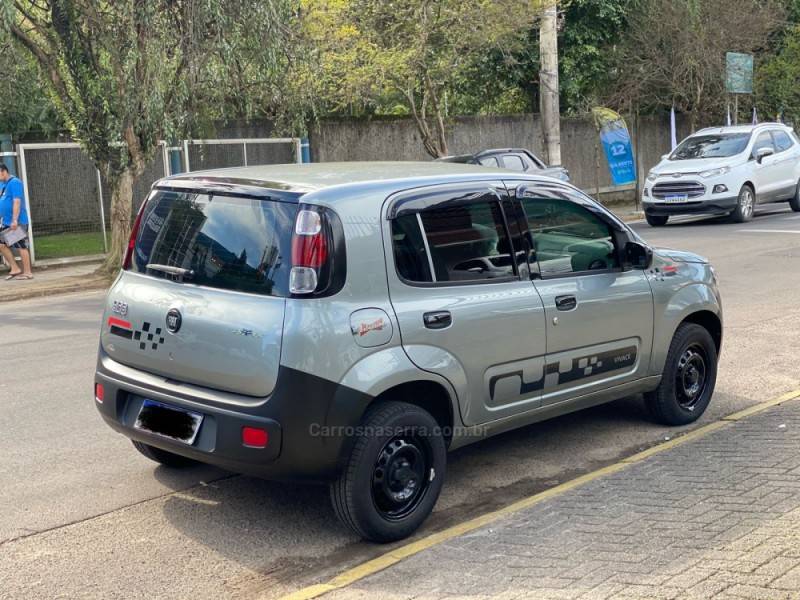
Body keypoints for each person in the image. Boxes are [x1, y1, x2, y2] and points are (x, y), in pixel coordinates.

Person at [0, 163, 33, 280]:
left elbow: (17, 202)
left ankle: (28, 272)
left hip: (17, 221)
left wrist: (14, 220)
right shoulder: (2, 184)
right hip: (6, 222)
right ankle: (15, 268)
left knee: (21, 246)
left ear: (3, 171)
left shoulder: (15, 183)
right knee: (1, 244)